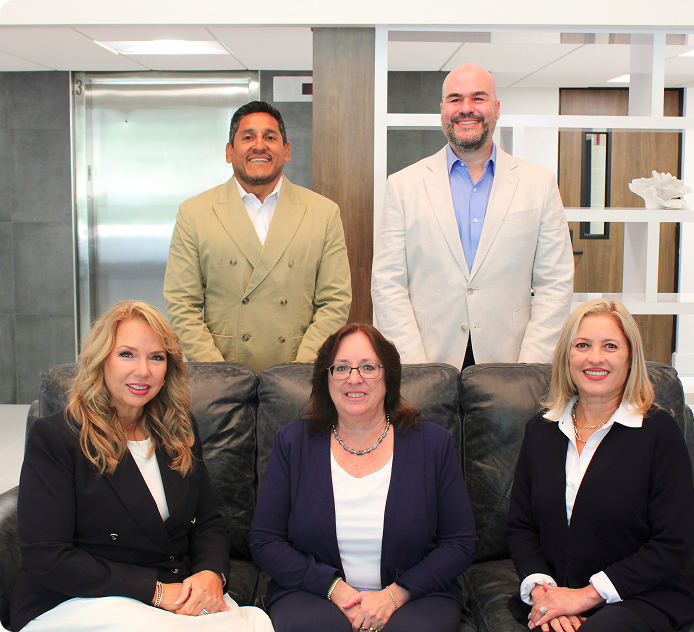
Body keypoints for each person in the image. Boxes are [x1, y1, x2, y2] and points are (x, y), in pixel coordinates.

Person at [10, 300, 274, 632]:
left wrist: (210, 573)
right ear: (100, 360)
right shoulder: (56, 436)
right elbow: (47, 556)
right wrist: (156, 591)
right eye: (127, 354)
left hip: (173, 593)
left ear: (169, 369)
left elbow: (207, 522)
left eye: (156, 357)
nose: (143, 371)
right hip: (80, 600)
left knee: (252, 625)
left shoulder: (179, 429)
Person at [249, 323, 477, 632]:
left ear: (388, 376)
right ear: (326, 378)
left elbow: (459, 543)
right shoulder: (292, 442)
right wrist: (334, 589)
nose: (354, 378)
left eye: (368, 367)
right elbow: (265, 540)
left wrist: (394, 596)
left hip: (416, 595)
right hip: (312, 593)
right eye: (341, 367)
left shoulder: (431, 443)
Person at [506, 298, 694, 632]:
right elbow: (521, 527)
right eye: (582, 345)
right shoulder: (541, 430)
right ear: (567, 356)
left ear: (630, 358)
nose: (595, 358)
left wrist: (585, 597)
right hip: (558, 592)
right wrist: (544, 595)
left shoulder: (659, 432)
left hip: (640, 595)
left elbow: (673, 542)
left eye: (610, 346)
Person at [371, 63, 573, 370]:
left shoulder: (539, 184)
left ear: (497, 108)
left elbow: (555, 283)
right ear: (442, 110)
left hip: (511, 362)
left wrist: (530, 366)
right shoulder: (403, 186)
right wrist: (413, 368)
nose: (466, 108)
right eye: (455, 99)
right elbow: (388, 283)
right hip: (427, 360)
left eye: (478, 98)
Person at [164, 100, 351, 374]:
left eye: (270, 137)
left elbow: (334, 301)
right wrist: (219, 373)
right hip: (224, 375)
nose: (259, 146)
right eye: (248, 137)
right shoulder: (194, 213)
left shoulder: (323, 213)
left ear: (286, 150)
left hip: (299, 374)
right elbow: (182, 304)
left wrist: (300, 371)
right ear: (229, 151)